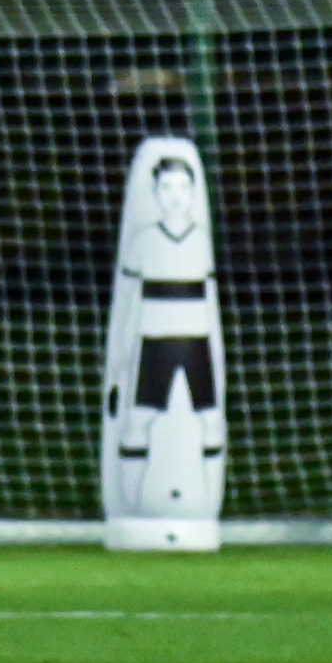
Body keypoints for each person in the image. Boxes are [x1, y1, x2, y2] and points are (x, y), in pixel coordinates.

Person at [114, 157, 222, 507]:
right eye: (166, 187)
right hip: (154, 346)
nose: (175, 195)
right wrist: (121, 350)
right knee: (137, 422)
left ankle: (206, 503)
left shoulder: (200, 241)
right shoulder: (144, 240)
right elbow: (128, 299)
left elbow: (209, 301)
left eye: (183, 187)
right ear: (155, 193)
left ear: (193, 192)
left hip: (196, 346)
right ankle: (131, 505)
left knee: (209, 421)